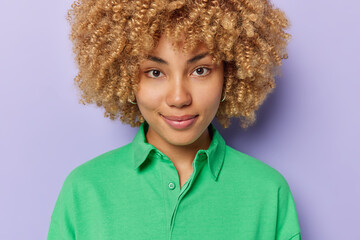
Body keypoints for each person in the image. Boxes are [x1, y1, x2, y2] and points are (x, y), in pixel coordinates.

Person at [48, 0, 301, 239]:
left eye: (200, 70)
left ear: (230, 74)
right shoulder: (84, 190)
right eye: (155, 72)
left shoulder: (268, 194)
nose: (179, 98)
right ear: (124, 77)